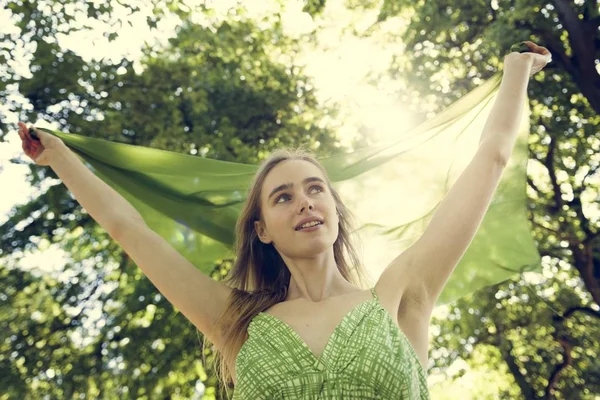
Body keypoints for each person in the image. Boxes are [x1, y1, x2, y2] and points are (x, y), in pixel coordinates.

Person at [17, 40, 551, 399]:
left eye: (316, 189)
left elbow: (491, 159)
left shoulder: (401, 291)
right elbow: (128, 230)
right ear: (262, 231)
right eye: (283, 196)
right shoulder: (234, 321)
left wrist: (516, 73)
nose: (304, 202)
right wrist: (59, 157)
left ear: (335, 214)